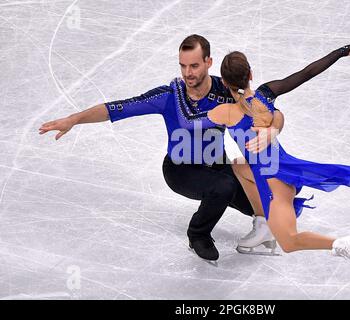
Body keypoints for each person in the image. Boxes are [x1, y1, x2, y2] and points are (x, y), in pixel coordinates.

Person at [39, 34, 287, 263]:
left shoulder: (227, 90)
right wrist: (74, 118)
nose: (187, 73)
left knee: (267, 201)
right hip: (181, 170)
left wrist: (272, 129)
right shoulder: (170, 95)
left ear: (208, 62)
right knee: (224, 187)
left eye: (194, 66)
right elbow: (119, 108)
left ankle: (260, 222)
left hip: (217, 165)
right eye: (183, 65)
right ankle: (198, 234)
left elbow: (270, 112)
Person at [174, 45, 350, 273]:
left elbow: (186, 120)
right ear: (250, 75)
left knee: (289, 242)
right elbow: (306, 74)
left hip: (274, 183)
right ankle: (263, 226)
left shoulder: (226, 113)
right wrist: (342, 52)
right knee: (238, 166)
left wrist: (178, 89)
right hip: (284, 169)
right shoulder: (266, 94)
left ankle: (347, 243)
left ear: (224, 81)